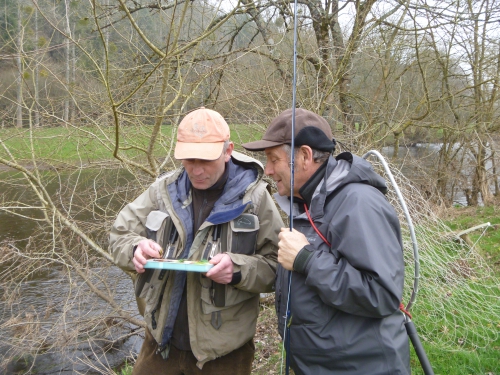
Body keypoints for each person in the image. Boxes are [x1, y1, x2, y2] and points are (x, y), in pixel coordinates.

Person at [109, 107, 283, 374]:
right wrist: (135, 248)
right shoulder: (162, 191)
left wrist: (237, 270)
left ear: (228, 151)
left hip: (225, 355)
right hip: (159, 346)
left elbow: (277, 267)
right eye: (189, 160)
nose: (196, 170)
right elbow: (119, 235)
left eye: (206, 160)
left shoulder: (256, 199)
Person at [242, 108, 411, 375]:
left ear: (305, 156)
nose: (268, 170)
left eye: (274, 159)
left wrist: (306, 260)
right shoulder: (303, 204)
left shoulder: (358, 203)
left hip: (361, 367)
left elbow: (382, 294)